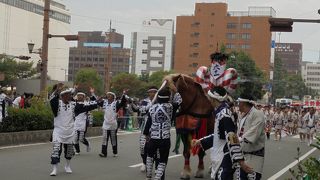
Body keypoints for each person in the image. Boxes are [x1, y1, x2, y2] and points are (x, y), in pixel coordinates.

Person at [192, 87, 252, 180]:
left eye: (209, 97)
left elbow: (232, 137)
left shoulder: (225, 115)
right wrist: (200, 142)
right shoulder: (220, 112)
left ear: (213, 99)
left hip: (224, 157)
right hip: (219, 157)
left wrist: (240, 161)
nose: (208, 100)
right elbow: (219, 136)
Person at [49, 84, 99, 176]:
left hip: (70, 132)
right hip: (58, 131)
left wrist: (98, 102)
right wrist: (56, 90)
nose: (70, 96)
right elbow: (52, 99)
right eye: (67, 95)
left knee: (69, 151)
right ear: (63, 96)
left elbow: (87, 107)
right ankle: (54, 168)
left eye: (70, 95)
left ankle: (67, 166)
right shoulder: (57, 104)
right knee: (56, 150)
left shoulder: (74, 105)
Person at [143, 86, 182, 180]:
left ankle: (148, 176)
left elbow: (148, 122)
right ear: (168, 97)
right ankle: (158, 177)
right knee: (162, 160)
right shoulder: (171, 106)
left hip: (153, 137)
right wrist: (176, 91)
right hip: (165, 138)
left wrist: (145, 134)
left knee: (149, 156)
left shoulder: (152, 108)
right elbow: (180, 100)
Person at [237, 94, 265, 180]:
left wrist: (239, 139)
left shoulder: (257, 113)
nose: (238, 104)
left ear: (243, 103)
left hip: (254, 155)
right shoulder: (242, 115)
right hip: (243, 154)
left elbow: (254, 131)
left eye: (239, 102)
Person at [131, 86, 158, 172]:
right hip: (145, 127)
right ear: (148, 93)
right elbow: (142, 111)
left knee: (156, 148)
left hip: (156, 128)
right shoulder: (144, 101)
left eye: (154, 92)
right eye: (151, 92)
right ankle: (144, 163)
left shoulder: (160, 101)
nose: (153, 94)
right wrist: (151, 104)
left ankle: (157, 166)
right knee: (143, 147)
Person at [97, 91, 127, 157]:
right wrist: (93, 94)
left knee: (113, 139)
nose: (108, 96)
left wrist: (124, 94)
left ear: (113, 97)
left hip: (113, 124)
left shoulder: (116, 103)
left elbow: (123, 102)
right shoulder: (104, 102)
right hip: (105, 124)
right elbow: (97, 103)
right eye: (107, 95)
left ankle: (115, 152)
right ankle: (103, 153)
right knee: (104, 138)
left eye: (110, 95)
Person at [73, 90, 95, 155]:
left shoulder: (86, 104)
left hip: (83, 123)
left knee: (81, 139)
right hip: (76, 122)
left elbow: (90, 113)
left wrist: (90, 122)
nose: (79, 97)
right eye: (78, 95)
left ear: (83, 97)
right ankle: (77, 151)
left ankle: (88, 144)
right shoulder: (74, 103)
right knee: (75, 138)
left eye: (81, 96)